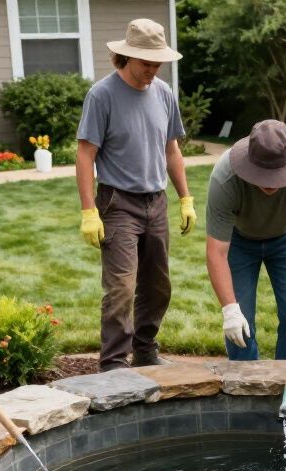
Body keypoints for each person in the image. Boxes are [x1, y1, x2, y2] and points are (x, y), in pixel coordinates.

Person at [76, 18, 195, 371]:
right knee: (121, 289)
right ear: (126, 57)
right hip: (117, 203)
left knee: (158, 286)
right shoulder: (102, 95)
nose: (153, 70)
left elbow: (171, 148)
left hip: (155, 201)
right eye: (146, 63)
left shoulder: (163, 93)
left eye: (157, 63)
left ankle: (145, 350)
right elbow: (85, 155)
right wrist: (88, 211)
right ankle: (113, 363)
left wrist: (185, 197)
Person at [205, 120, 286, 360]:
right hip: (239, 241)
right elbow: (216, 252)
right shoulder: (225, 177)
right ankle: (245, 390)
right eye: (263, 175)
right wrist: (230, 311)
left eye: (276, 175)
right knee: (239, 326)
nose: (269, 182)